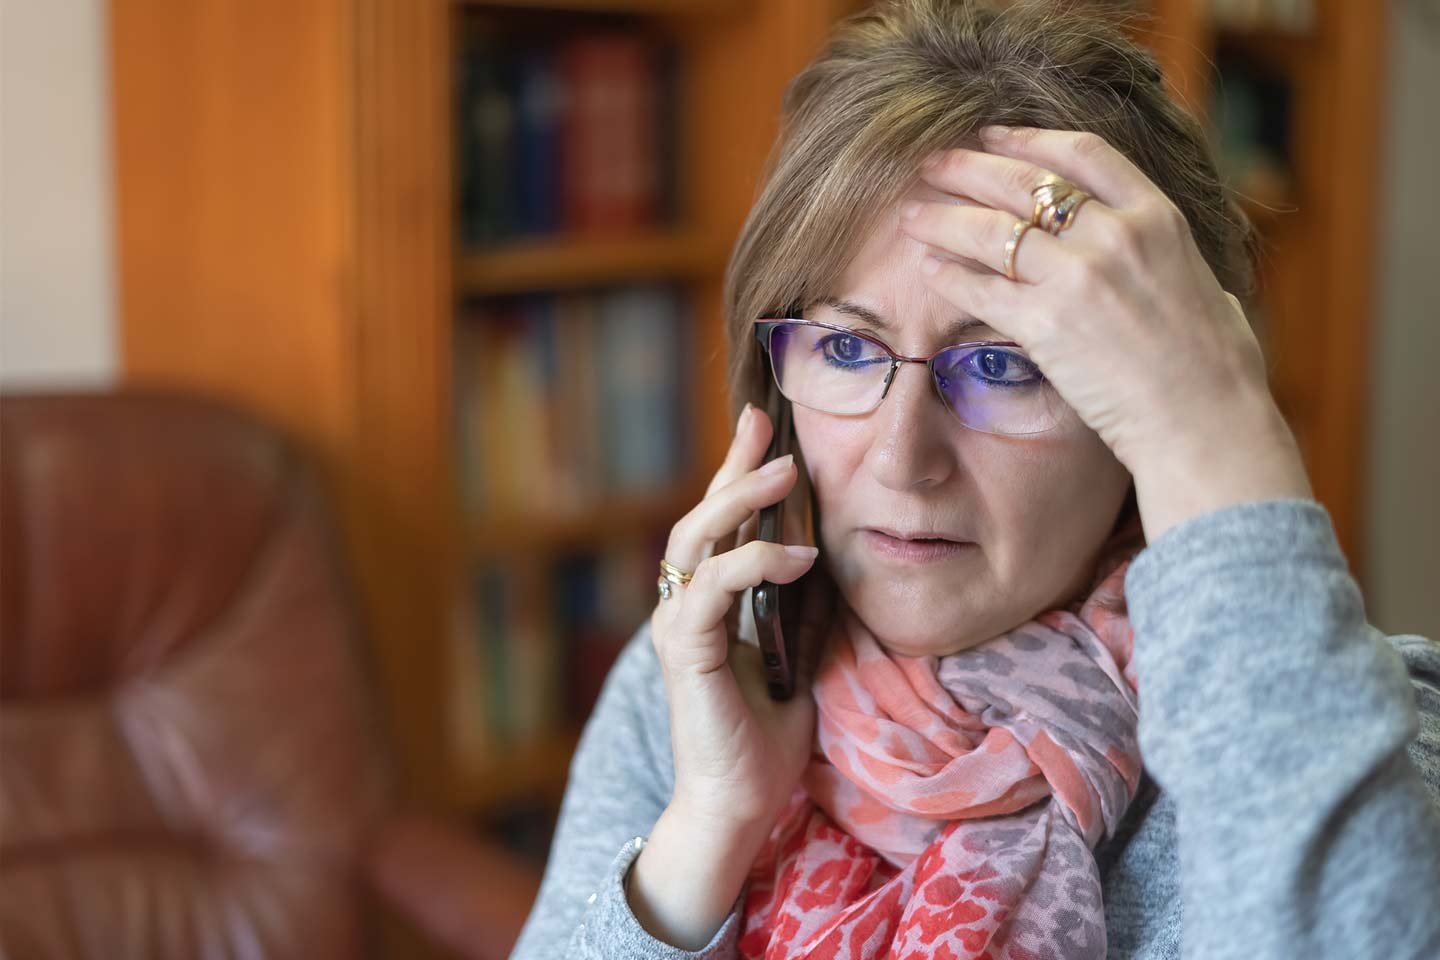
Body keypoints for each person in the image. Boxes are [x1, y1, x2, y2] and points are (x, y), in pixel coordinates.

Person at [509, 1, 1440, 957]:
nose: (901, 458)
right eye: (843, 344)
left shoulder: (1346, 730)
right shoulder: (709, 675)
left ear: (1151, 408)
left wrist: (1221, 441)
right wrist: (704, 833)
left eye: (1002, 365)